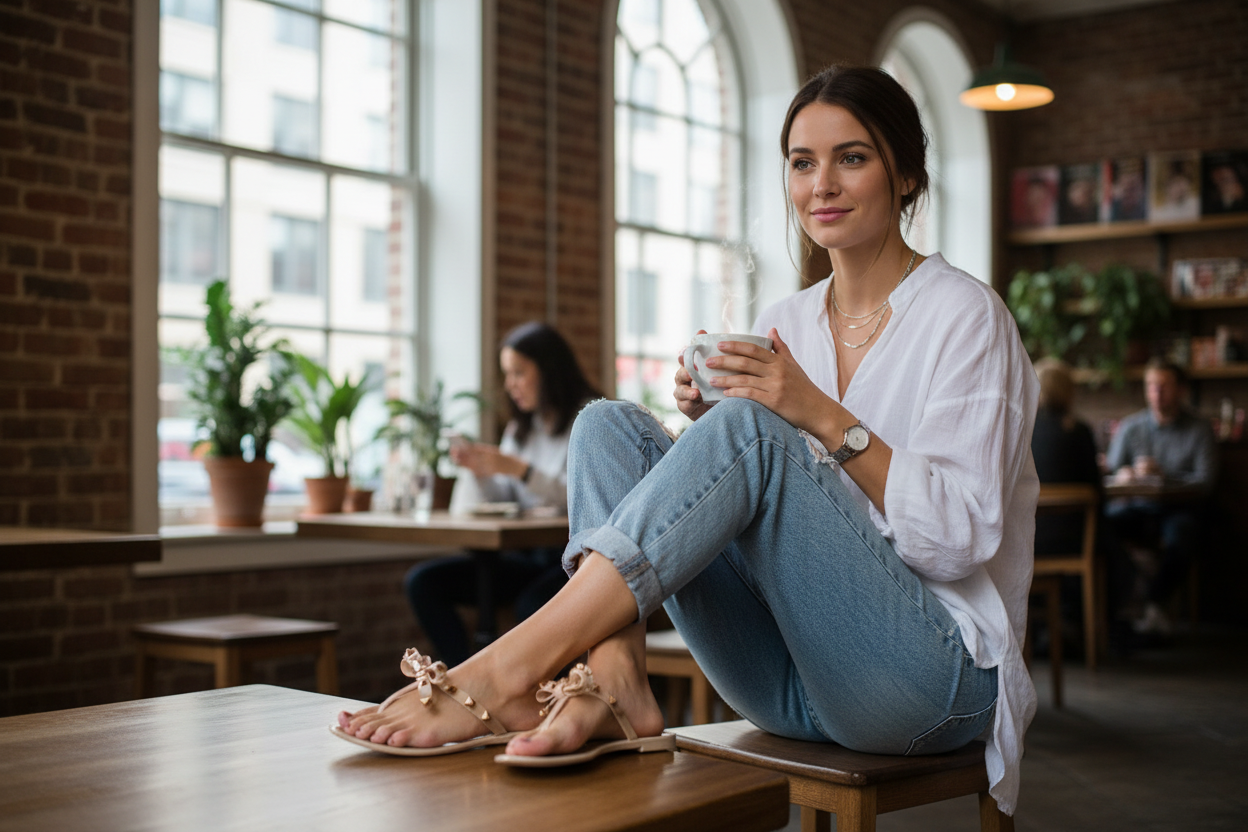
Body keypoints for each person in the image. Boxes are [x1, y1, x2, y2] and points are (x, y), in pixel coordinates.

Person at [336, 66, 1039, 817]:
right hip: (786, 675)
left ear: (905, 175)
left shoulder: (967, 315)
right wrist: (711, 428)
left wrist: (812, 415)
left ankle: (504, 668)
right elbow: (776, 503)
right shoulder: (786, 320)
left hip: (926, 681)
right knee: (603, 426)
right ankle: (614, 682)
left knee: (750, 432)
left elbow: (957, 540)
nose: (821, 184)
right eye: (802, 162)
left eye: (852, 157)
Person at [403, 321, 601, 667]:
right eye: (507, 375)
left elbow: (583, 496)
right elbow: (502, 498)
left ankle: (524, 695)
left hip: (575, 560)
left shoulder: (590, 419)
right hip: (526, 556)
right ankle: (464, 680)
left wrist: (517, 468)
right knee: (423, 583)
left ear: (549, 370)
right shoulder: (521, 429)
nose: (510, 385)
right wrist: (480, 471)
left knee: (531, 606)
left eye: (519, 373)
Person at [1104, 359, 1217, 634]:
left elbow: (1206, 481)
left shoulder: (1199, 428)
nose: (1156, 393)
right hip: (1139, 507)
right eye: (1151, 386)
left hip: (1181, 509)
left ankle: (1154, 601)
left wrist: (1163, 476)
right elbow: (1111, 471)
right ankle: (1121, 603)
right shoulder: (1131, 427)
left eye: (1164, 386)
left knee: (1182, 536)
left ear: (1181, 390)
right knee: (1101, 527)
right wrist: (1127, 474)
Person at [1030, 358, 1101, 556]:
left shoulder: (1021, 434)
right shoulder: (1078, 431)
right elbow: (1096, 488)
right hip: (1076, 540)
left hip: (1028, 538)